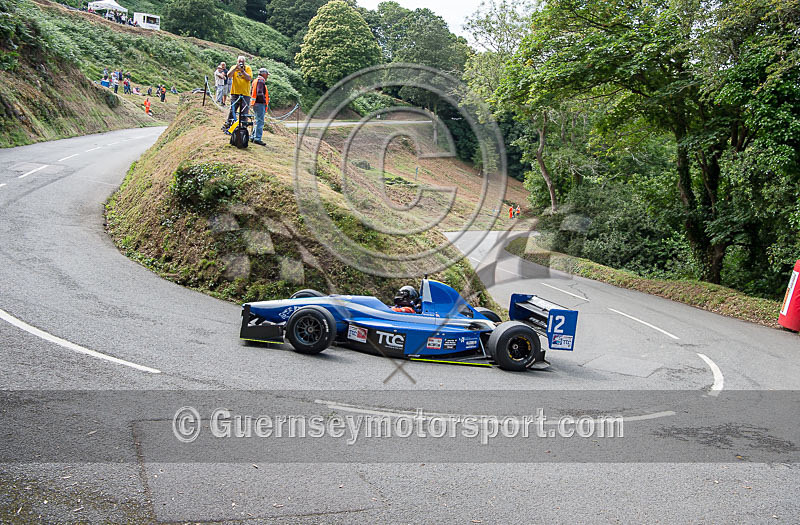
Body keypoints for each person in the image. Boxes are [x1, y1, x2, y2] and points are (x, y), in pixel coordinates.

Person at [225, 55, 252, 128]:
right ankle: (229, 124)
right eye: (239, 62)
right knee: (233, 110)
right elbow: (229, 75)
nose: (241, 63)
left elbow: (249, 78)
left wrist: (243, 71)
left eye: (242, 62)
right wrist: (235, 69)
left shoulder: (248, 68)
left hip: (245, 93)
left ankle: (243, 126)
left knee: (244, 111)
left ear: (244, 62)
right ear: (237, 62)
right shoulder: (234, 67)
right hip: (235, 93)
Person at [249, 68, 269, 145]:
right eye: (267, 74)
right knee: (260, 121)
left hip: (255, 103)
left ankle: (253, 136)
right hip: (259, 103)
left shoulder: (255, 80)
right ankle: (257, 138)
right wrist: (264, 101)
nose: (267, 76)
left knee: (257, 120)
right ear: (263, 74)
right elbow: (259, 93)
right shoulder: (261, 81)